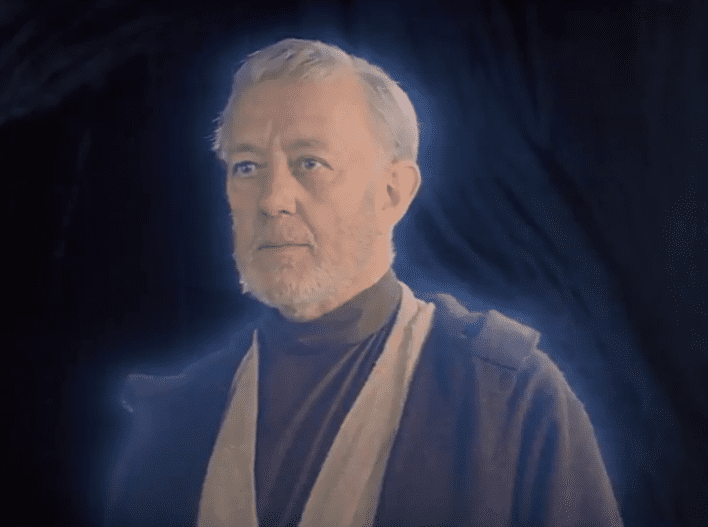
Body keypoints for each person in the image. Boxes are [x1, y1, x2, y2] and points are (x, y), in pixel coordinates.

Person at [105, 38, 623, 527]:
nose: (272, 199)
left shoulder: (508, 398)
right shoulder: (173, 423)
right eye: (246, 167)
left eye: (310, 163)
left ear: (393, 192)